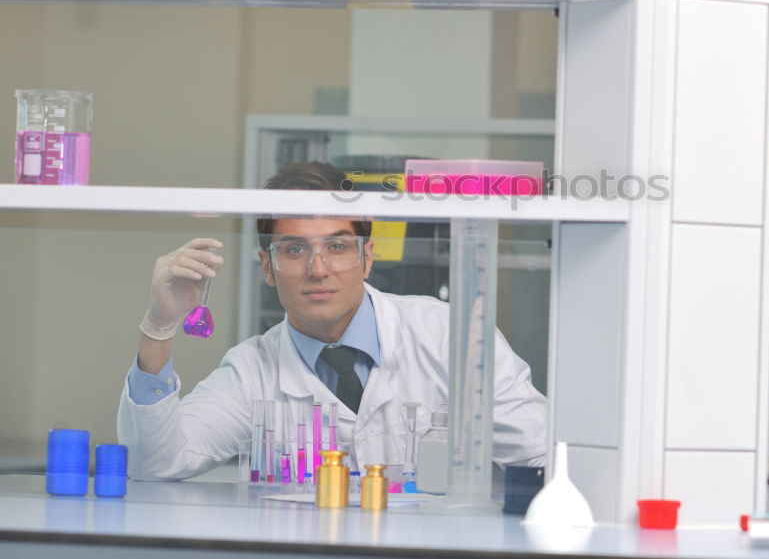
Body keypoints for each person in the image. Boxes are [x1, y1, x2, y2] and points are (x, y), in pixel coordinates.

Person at [117, 161, 547, 480]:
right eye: (295, 249)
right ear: (267, 268)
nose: (318, 269)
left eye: (338, 246)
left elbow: (540, 452)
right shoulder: (253, 370)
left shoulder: (448, 335)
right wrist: (159, 327)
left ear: (367, 257)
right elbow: (155, 463)